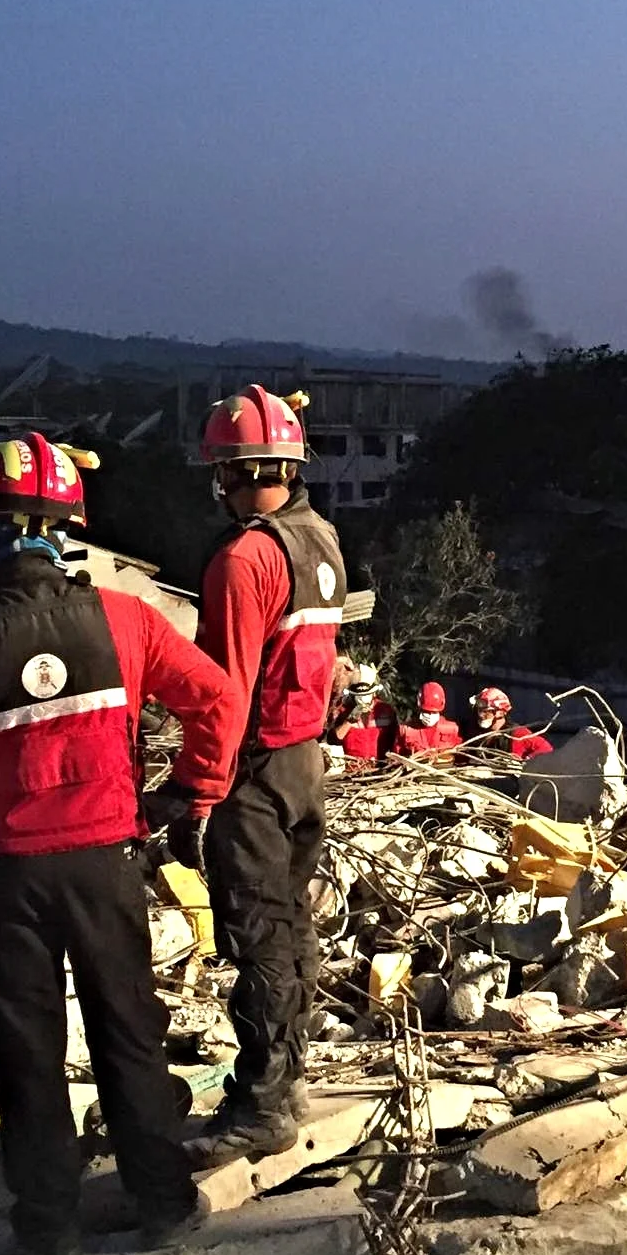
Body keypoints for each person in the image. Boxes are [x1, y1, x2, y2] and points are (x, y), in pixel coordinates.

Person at [0, 435, 245, 1255]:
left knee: (28, 1048)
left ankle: (48, 1229)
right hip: (105, 860)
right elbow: (217, 696)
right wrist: (192, 788)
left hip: (6, 873)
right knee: (129, 1031)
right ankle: (165, 1205)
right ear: (69, 527)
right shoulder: (126, 618)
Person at [191, 385, 349, 1165]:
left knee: (255, 935)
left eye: (222, 469)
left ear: (241, 468)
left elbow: (225, 687)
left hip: (253, 770)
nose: (217, 485)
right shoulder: (320, 538)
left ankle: (260, 1102)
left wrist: (196, 788)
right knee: (290, 925)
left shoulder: (245, 557)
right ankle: (289, 1077)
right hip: (304, 762)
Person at [469, 687, 554, 761]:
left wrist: (527, 761)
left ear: (500, 712)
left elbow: (546, 748)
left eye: (486, 711)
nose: (480, 715)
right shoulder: (479, 734)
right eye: (479, 710)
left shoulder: (517, 734)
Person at [331, 663, 391, 765]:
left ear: (374, 693)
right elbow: (333, 741)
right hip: (352, 771)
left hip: (380, 770)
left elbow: (395, 740)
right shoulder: (342, 711)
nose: (363, 698)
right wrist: (349, 721)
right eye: (358, 695)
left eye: (366, 694)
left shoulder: (386, 711)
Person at [394, 681, 462, 758]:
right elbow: (396, 758)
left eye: (433, 712)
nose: (429, 716)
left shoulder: (452, 729)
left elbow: (460, 758)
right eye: (426, 712)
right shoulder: (405, 730)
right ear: (420, 708)